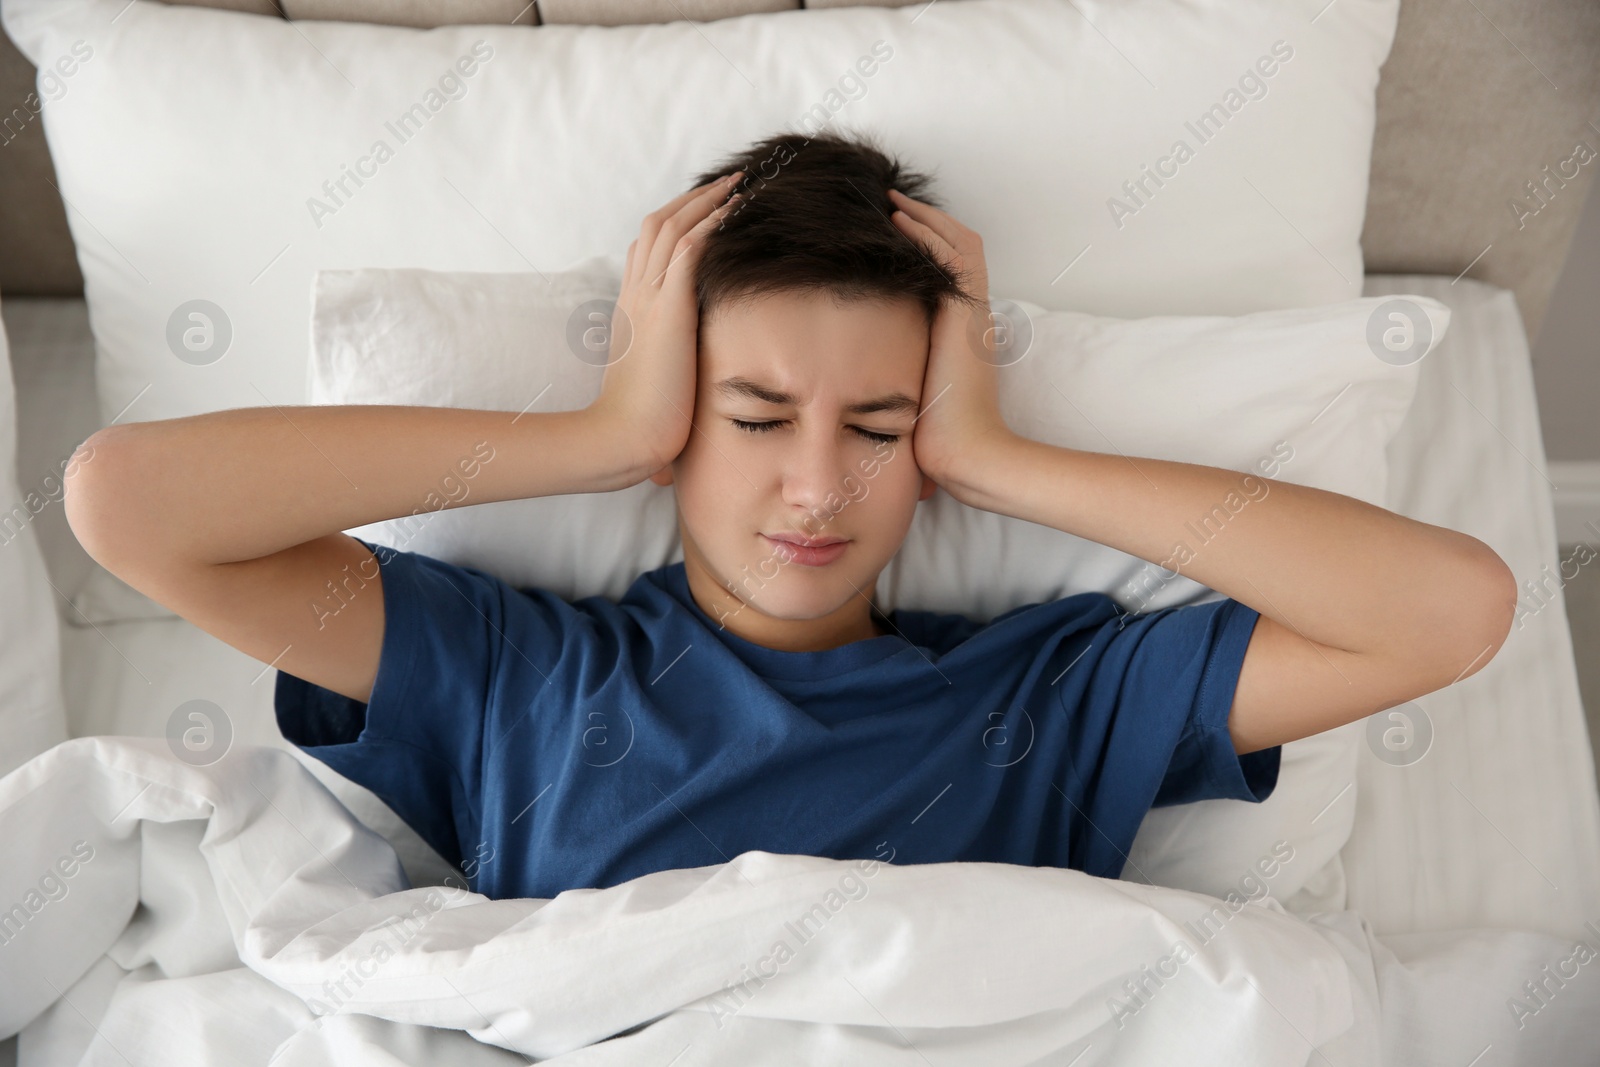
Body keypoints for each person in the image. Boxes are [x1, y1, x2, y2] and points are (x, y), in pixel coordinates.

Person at [62, 130, 1516, 901]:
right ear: (681, 417)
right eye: (755, 418)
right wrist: (596, 437)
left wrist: (998, 457)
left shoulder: (1053, 694)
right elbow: (124, 501)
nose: (819, 489)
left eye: (879, 429)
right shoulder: (515, 674)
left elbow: (1450, 609)